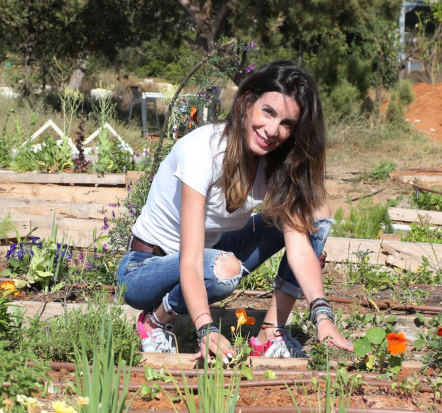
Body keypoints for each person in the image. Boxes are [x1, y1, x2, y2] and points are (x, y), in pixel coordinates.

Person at [117, 61, 353, 361]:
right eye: (268, 112)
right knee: (224, 268)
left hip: (208, 254)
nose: (272, 130)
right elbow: (190, 261)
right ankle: (156, 319)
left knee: (315, 211)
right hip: (146, 268)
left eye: (287, 123)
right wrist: (206, 329)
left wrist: (323, 317)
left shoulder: (274, 164)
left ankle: (271, 333)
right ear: (247, 102)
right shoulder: (203, 150)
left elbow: (301, 250)